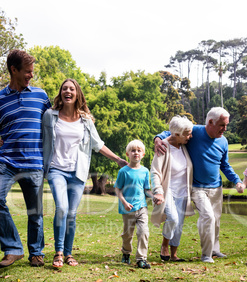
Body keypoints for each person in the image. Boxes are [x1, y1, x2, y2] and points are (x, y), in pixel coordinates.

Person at [42, 78, 127, 268]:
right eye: (64, 88)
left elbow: (98, 145)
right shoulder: (50, 115)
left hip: (78, 173)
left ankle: (69, 253)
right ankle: (58, 252)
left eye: (72, 89)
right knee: (62, 208)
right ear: (60, 93)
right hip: (56, 169)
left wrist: (118, 160)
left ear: (77, 93)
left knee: (71, 213)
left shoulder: (86, 121)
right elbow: (39, 138)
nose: (68, 91)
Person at [155, 107, 244, 263]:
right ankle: (206, 255)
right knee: (207, 216)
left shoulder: (223, 141)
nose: (225, 129)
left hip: (216, 186)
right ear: (210, 122)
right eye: (222, 125)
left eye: (226, 125)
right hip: (197, 187)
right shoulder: (194, 132)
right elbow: (170, 132)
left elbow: (225, 165)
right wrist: (157, 138)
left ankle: (214, 250)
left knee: (215, 220)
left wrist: (237, 180)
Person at [0, 49, 51, 268]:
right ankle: (13, 249)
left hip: (34, 163)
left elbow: (55, 122)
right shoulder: (0, 99)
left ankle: (36, 252)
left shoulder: (41, 96)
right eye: (27, 72)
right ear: (14, 70)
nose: (31, 75)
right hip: (7, 162)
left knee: (35, 212)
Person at [151, 116, 195, 262]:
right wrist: (158, 191)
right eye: (187, 134)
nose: (190, 136)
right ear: (176, 135)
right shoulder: (163, 146)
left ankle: (174, 254)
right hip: (167, 190)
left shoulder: (184, 146)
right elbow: (155, 172)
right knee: (173, 219)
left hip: (183, 191)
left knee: (179, 224)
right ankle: (164, 245)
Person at [114, 140, 153, 269]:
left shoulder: (145, 171)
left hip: (142, 207)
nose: (136, 153)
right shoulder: (124, 172)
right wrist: (124, 202)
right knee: (127, 234)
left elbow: (146, 189)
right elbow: (118, 189)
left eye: (139, 150)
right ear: (127, 154)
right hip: (127, 209)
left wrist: (154, 197)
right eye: (133, 150)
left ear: (143, 154)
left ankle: (141, 259)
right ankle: (126, 254)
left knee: (143, 232)